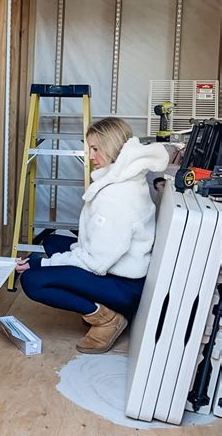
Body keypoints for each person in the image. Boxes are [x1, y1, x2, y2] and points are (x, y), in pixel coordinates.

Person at [15, 117, 169, 354]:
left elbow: (96, 262)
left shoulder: (116, 197)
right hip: (126, 270)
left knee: (32, 280)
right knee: (53, 241)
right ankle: (99, 305)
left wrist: (41, 263)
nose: (91, 156)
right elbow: (95, 248)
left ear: (111, 147)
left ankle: (107, 318)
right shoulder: (127, 178)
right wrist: (51, 260)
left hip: (124, 286)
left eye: (96, 149)